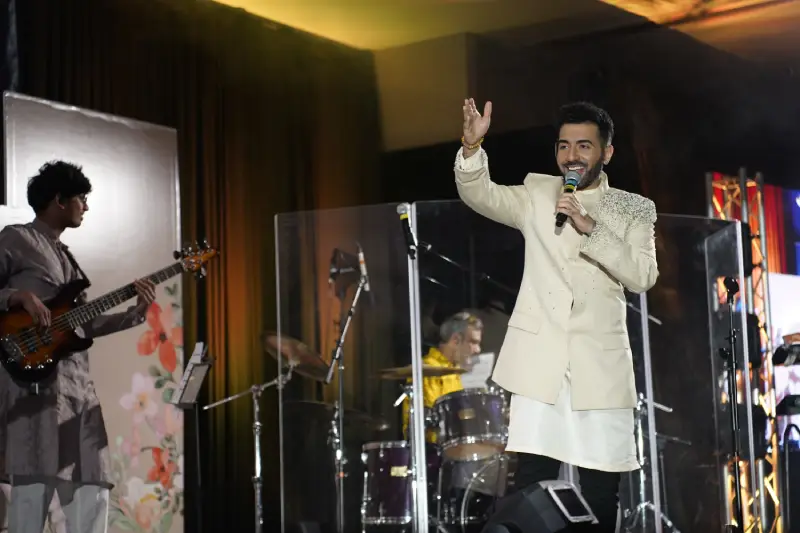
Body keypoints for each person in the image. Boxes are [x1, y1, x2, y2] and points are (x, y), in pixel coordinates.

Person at [454, 99, 659, 531]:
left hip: (600, 369)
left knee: (600, 494)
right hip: (540, 366)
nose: (571, 155)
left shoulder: (633, 208)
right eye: (564, 145)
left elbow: (643, 276)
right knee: (533, 489)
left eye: (584, 146)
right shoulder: (537, 193)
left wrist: (590, 227)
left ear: (606, 153)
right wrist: (472, 149)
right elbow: (480, 195)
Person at [0, 161, 157, 533]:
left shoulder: (68, 258)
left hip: (78, 392)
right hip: (33, 394)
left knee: (92, 490)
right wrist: (17, 297)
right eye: (81, 198)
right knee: (30, 498)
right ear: (59, 200)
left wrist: (134, 314)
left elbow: (83, 325)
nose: (86, 206)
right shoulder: (16, 238)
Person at [401, 310, 483, 440]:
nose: (478, 350)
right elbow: (433, 425)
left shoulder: (455, 371)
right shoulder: (427, 370)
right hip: (434, 450)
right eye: (473, 342)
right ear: (456, 340)